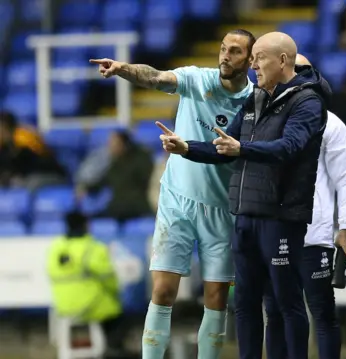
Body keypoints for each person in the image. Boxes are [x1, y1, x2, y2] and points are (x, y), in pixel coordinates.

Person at [157, 32, 331, 359]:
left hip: (280, 216)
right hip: (245, 213)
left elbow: (289, 147)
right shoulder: (255, 99)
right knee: (246, 304)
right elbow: (226, 148)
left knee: (285, 301)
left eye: (259, 57)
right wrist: (186, 148)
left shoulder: (308, 101)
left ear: (283, 61)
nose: (252, 64)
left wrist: (242, 148)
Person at [90, 29, 256, 359]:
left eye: (235, 51)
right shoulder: (197, 79)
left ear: (250, 60)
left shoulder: (254, 102)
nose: (225, 55)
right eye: (223, 48)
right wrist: (123, 68)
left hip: (222, 208)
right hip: (177, 200)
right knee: (163, 291)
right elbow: (155, 78)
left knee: (217, 299)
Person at [262, 54, 346, 359]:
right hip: (272, 232)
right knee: (275, 313)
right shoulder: (264, 118)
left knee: (322, 313)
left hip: (312, 236)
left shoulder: (330, 124)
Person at [46, 211, 133, 359]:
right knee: (117, 313)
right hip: (91, 306)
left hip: (63, 306)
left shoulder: (55, 248)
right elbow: (110, 280)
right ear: (86, 226)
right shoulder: (93, 248)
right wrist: (116, 294)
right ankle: (115, 349)